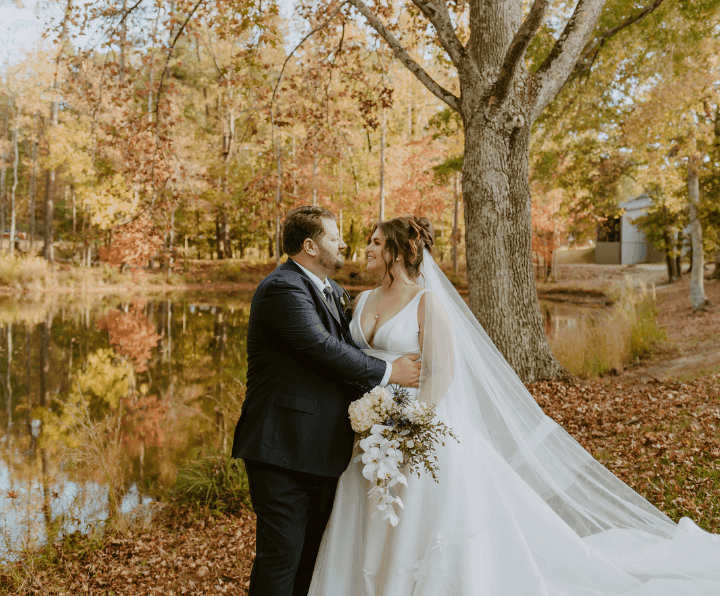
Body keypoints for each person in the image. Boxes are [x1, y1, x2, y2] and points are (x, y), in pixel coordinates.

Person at [309, 215, 720, 596]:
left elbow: (442, 374)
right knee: (365, 516)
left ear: (397, 253)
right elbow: (354, 362)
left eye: (375, 243)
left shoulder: (427, 303)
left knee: (414, 517)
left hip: (417, 426)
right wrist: (370, 416)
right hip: (368, 429)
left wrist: (410, 424)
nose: (365, 249)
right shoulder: (359, 302)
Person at [231, 206, 422, 596]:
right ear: (310, 246)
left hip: (323, 448)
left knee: (310, 561)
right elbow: (323, 348)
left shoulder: (333, 292)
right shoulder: (282, 289)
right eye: (334, 238)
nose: (343, 244)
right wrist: (390, 373)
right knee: (281, 557)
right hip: (281, 448)